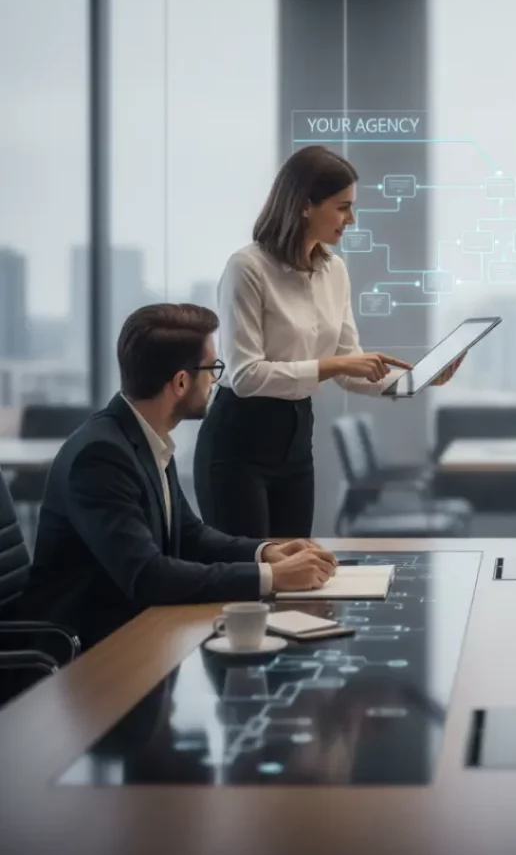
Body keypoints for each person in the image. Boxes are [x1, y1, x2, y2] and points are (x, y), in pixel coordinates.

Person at [19, 304, 337, 650]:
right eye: (212, 368)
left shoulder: (144, 437)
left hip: (135, 634)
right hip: (81, 658)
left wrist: (266, 552)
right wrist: (273, 578)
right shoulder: (100, 457)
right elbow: (149, 577)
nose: (216, 379)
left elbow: (189, 536)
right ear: (181, 382)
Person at [194, 145, 462, 540]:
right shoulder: (247, 268)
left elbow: (352, 370)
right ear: (305, 205)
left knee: (296, 574)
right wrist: (335, 366)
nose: (350, 219)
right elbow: (246, 375)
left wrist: (419, 379)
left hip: (297, 440)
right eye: (342, 207)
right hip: (238, 444)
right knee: (248, 576)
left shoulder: (334, 270)